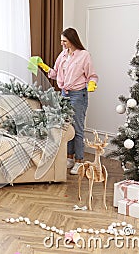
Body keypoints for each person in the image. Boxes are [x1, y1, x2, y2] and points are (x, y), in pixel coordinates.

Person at [38, 27, 99, 175]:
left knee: (77, 128)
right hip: (64, 94)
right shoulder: (63, 55)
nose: (62, 44)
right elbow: (55, 73)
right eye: (61, 41)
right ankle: (70, 157)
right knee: (67, 127)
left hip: (78, 94)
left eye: (64, 41)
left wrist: (91, 84)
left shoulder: (84, 55)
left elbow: (92, 75)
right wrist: (43, 66)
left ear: (72, 40)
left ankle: (79, 160)